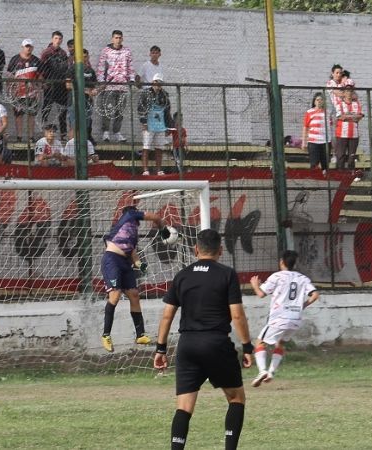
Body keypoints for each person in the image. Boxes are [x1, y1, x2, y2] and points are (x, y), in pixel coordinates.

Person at [153, 229, 254, 450]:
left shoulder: (182, 275)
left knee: (184, 406)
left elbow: (167, 315)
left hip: (187, 345)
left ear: (196, 249)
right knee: (236, 398)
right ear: (220, 250)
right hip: (216, 343)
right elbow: (237, 314)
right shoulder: (227, 274)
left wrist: (160, 349)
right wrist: (247, 346)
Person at [100, 204, 167, 352]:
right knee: (115, 295)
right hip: (112, 260)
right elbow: (155, 217)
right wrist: (164, 230)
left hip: (125, 263)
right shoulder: (130, 215)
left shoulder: (132, 233)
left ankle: (140, 335)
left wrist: (141, 266)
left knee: (134, 295)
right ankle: (106, 335)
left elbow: (133, 255)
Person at [248, 250, 319, 386]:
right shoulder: (302, 278)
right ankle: (271, 372)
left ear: (281, 262)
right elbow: (315, 295)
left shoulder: (277, 277)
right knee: (280, 343)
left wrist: (255, 285)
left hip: (279, 317)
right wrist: (302, 306)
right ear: (294, 263)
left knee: (260, 342)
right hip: (295, 319)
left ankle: (262, 370)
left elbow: (261, 294)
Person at [97, 30, 136, 143]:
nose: (118, 40)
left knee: (120, 111)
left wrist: (131, 79)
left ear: (122, 39)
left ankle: (117, 132)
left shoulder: (126, 51)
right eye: (116, 37)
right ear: (112, 39)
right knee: (108, 109)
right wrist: (101, 81)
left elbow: (130, 66)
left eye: (120, 38)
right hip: (109, 85)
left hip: (122, 86)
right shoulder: (106, 51)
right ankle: (106, 132)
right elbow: (101, 67)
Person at [137, 73, 172, 176]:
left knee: (159, 147)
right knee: (146, 146)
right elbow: (140, 108)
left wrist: (168, 126)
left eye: (160, 82)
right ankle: (145, 169)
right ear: (153, 82)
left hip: (160, 125)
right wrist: (143, 122)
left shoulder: (164, 95)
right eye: (157, 82)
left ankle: (158, 169)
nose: (158, 84)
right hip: (149, 124)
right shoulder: (146, 93)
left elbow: (167, 111)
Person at [6, 39, 40, 142]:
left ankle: (31, 137)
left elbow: (40, 76)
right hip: (18, 93)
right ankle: (19, 137)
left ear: (33, 48)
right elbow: (9, 75)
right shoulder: (15, 59)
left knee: (31, 115)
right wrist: (10, 90)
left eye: (30, 46)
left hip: (32, 93)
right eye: (26, 46)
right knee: (19, 115)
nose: (28, 48)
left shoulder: (36, 60)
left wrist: (37, 88)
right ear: (22, 47)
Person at [39, 31, 69, 140]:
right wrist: (43, 82)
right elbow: (41, 69)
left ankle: (63, 134)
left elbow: (66, 69)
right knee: (46, 109)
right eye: (56, 38)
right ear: (52, 39)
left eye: (60, 39)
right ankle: (44, 132)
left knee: (62, 111)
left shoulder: (63, 53)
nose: (58, 41)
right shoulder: (46, 52)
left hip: (60, 86)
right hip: (49, 85)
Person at [333, 86, 362, 170]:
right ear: (344, 93)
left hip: (354, 135)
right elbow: (340, 117)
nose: (349, 93)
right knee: (340, 155)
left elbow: (359, 116)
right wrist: (353, 116)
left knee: (352, 156)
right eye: (347, 91)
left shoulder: (357, 104)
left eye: (350, 91)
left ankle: (350, 175)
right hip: (341, 134)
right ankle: (340, 175)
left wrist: (347, 115)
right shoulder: (339, 104)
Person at [302, 93, 331, 173]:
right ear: (314, 101)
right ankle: (314, 179)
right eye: (317, 100)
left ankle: (325, 179)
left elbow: (330, 127)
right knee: (314, 163)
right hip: (313, 142)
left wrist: (333, 141)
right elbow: (305, 127)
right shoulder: (309, 112)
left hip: (326, 142)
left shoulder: (328, 112)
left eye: (321, 100)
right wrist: (304, 142)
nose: (319, 101)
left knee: (325, 164)